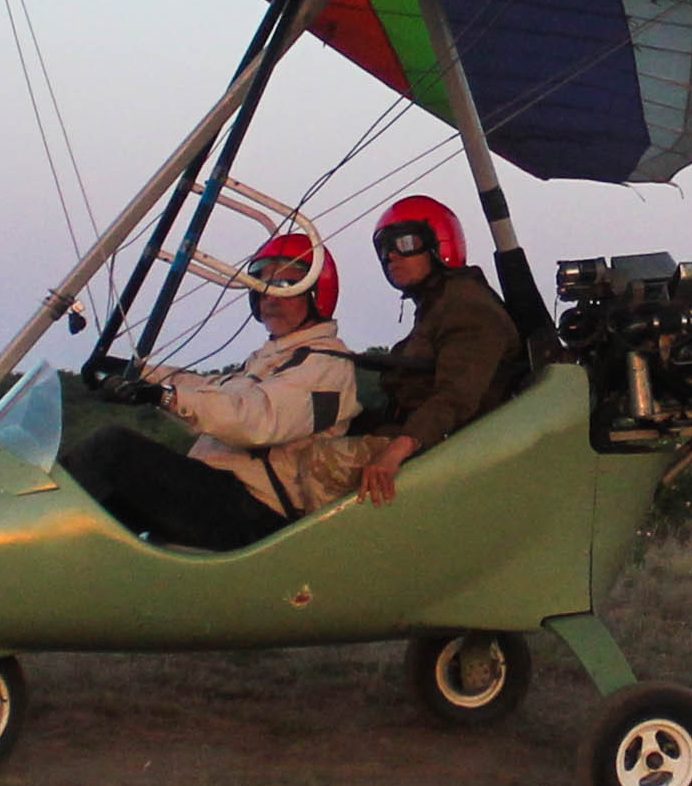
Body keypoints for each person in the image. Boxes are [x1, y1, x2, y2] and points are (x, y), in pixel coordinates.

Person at [60, 234, 368, 551]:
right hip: (222, 493)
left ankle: (40, 556)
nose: (270, 298)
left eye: (285, 286)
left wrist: (165, 397)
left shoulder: (326, 365)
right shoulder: (274, 357)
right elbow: (211, 391)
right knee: (103, 504)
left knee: (112, 449)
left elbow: (257, 420)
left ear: (316, 295)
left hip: (259, 515)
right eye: (262, 286)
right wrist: (139, 375)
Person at [352, 195, 525, 505]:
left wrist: (399, 448)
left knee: (302, 468)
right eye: (384, 249)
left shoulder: (467, 306)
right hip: (414, 438)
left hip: (443, 451)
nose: (391, 256)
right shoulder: (437, 306)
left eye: (404, 243)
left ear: (439, 243)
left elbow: (456, 396)